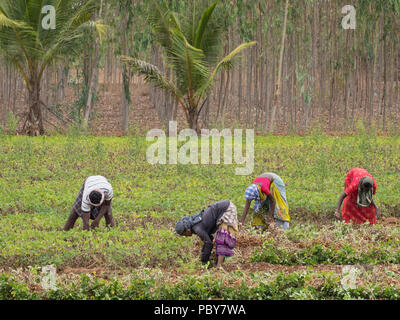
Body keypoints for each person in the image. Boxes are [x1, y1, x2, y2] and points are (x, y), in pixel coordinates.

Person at [175, 200, 239, 268]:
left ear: (187, 230)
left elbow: (208, 243)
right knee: (219, 239)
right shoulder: (194, 225)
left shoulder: (197, 229)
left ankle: (218, 266)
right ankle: (217, 261)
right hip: (222, 209)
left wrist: (204, 260)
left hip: (227, 209)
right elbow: (209, 238)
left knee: (222, 238)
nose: (186, 236)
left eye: (184, 234)